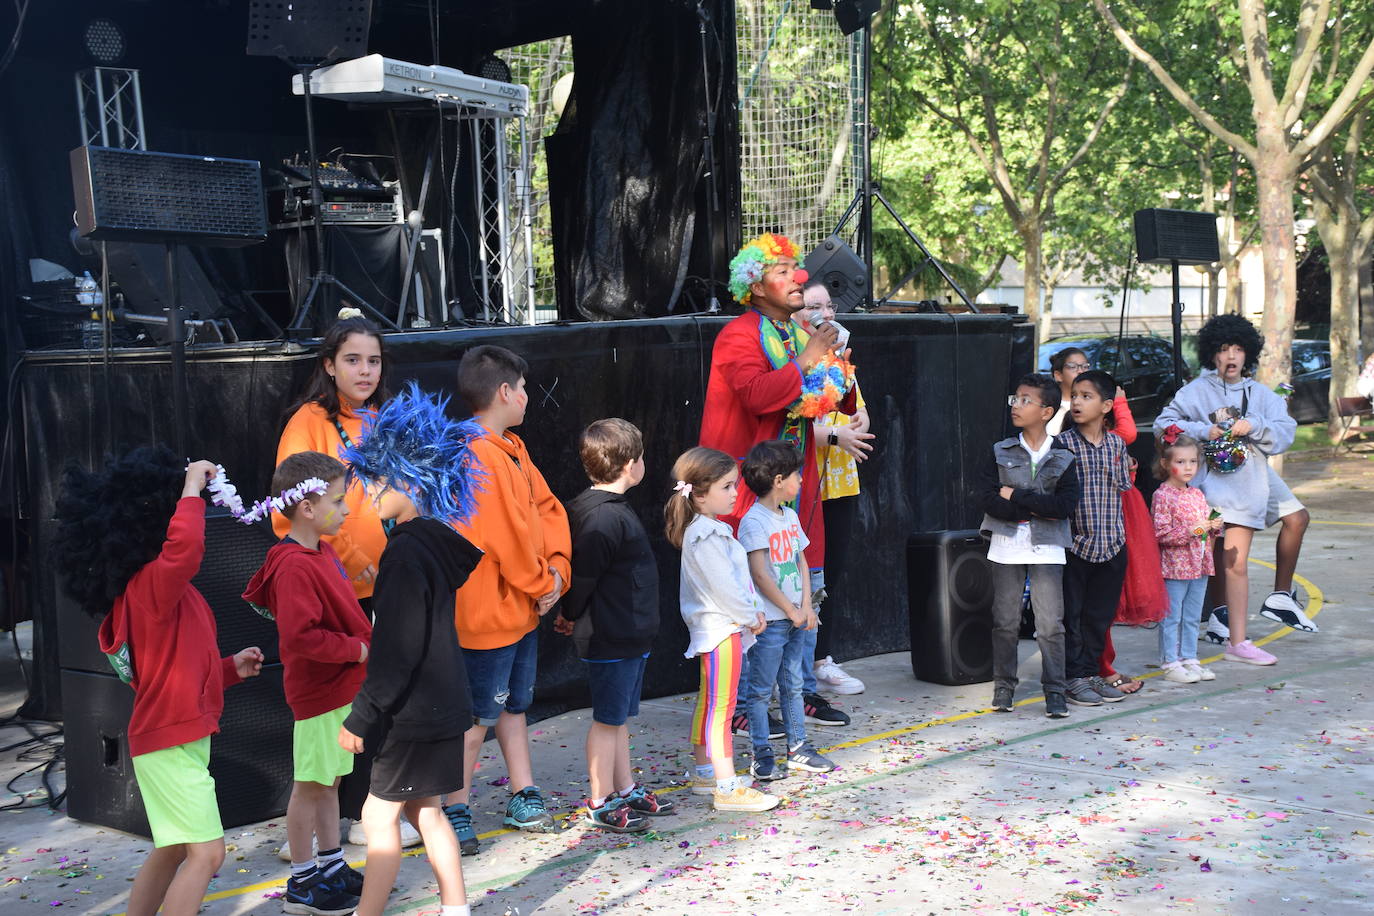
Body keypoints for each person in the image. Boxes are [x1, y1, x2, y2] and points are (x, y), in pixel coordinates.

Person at [52, 449, 264, 916]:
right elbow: (185, 548)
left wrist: (230, 668)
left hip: (174, 740)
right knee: (207, 854)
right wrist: (189, 489)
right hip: (170, 744)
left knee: (171, 850)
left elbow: (178, 670)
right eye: (173, 509)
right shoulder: (150, 589)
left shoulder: (161, 594)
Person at [336, 383, 487, 916]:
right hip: (445, 705)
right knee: (427, 810)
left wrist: (360, 718)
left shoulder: (404, 555)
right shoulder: (432, 546)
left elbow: (396, 651)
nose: (370, 491)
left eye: (378, 479)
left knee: (379, 822)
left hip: (413, 714)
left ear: (409, 474)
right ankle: (456, 907)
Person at [700, 233, 857, 729]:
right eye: (785, 271)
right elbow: (758, 396)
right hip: (745, 490)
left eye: (797, 269)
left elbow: (830, 400)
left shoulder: (796, 332)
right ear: (755, 284)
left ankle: (801, 692)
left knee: (805, 583)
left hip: (795, 486)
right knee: (754, 595)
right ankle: (748, 704)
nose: (800, 278)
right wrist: (810, 355)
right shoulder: (739, 336)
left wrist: (841, 369)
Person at [275, 308, 408, 853]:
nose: (365, 371)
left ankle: (364, 815)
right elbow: (294, 508)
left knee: (378, 703)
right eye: (353, 360)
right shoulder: (307, 421)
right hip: (336, 588)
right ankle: (310, 834)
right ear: (329, 365)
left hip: (386, 584)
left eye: (374, 361)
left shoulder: (385, 418)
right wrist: (354, 558)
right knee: (332, 713)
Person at [443, 345, 571, 854]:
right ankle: (454, 804)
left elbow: (548, 510)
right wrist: (545, 585)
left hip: (520, 608)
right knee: (476, 718)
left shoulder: (512, 448)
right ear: (504, 392)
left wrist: (557, 571)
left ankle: (523, 791)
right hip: (487, 614)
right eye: (522, 389)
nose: (526, 398)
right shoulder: (474, 454)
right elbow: (506, 535)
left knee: (514, 706)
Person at [241, 452, 372, 913]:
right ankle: (301, 881)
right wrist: (355, 649)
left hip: (339, 688)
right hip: (319, 694)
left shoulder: (324, 551)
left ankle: (330, 865)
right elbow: (300, 636)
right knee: (310, 786)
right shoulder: (294, 565)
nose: (347, 509)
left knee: (330, 781)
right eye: (338, 500)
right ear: (307, 508)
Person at [1154, 314, 1315, 664]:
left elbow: (1285, 432)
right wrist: (1200, 430)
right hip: (1204, 496)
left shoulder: (1260, 394)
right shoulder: (1194, 391)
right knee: (1196, 564)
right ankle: (1181, 649)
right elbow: (1162, 424)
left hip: (1245, 491)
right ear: (1213, 353)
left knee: (1235, 563)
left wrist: (1254, 424)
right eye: (1224, 348)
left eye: (1238, 349)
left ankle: (1238, 643)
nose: (1231, 356)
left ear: (1248, 355)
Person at [554, 418, 674, 833]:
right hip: (611, 634)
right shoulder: (601, 519)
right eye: (641, 457)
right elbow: (583, 577)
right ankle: (600, 799)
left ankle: (624, 789)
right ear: (629, 465)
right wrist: (569, 613)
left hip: (629, 633)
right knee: (608, 719)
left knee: (618, 717)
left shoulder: (610, 512)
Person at [666, 446, 778, 813]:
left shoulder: (706, 531)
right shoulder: (706, 536)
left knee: (711, 705)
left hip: (720, 630)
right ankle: (727, 787)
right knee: (722, 711)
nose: (735, 493)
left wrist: (749, 612)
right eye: (727, 487)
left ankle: (705, 773)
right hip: (722, 631)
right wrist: (751, 614)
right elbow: (725, 588)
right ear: (699, 493)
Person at [977, 373, 1079, 719]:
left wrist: (1018, 496)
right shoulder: (1000, 450)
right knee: (1005, 619)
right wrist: (1037, 504)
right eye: (1015, 399)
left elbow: (1065, 506)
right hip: (1006, 545)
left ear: (1046, 411)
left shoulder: (1063, 456)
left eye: (1026, 400)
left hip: (1048, 547)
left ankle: (1055, 690)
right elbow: (991, 500)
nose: (1016, 406)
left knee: (1050, 623)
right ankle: (1004, 685)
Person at [737, 440, 838, 779]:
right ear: (779, 480)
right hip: (773, 623)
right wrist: (790, 610)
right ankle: (761, 752)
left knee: (793, 683)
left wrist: (807, 606)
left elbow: (801, 561)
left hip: (796, 617)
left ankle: (798, 748)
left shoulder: (791, 516)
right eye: (797, 474)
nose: (801, 480)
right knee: (761, 689)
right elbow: (760, 574)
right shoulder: (754, 521)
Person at [799, 283, 874, 696]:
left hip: (841, 482)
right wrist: (833, 437)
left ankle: (821, 660)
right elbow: (792, 422)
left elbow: (858, 409)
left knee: (832, 575)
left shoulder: (839, 360)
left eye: (829, 304)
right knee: (800, 575)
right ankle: (794, 669)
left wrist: (856, 424)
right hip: (803, 485)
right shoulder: (793, 358)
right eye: (814, 306)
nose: (825, 312)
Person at [1057, 370, 1134, 706]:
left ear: (1106, 406)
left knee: (1099, 617)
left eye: (1086, 396)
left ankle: (1091, 674)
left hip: (1111, 545)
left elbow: (1121, 488)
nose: (1077, 402)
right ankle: (1073, 677)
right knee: (1072, 616)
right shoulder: (1062, 445)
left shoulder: (1116, 444)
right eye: (1075, 395)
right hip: (1075, 546)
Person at [1150, 429, 1222, 684]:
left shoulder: (1196, 494)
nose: (1188, 467)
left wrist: (1214, 525)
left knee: (1192, 616)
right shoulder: (1162, 496)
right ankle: (1170, 662)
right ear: (1166, 464)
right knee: (1172, 617)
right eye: (1180, 462)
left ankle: (1189, 658)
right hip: (1174, 568)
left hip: (1199, 565)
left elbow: (1205, 530)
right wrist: (1197, 529)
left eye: (1193, 461)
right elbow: (1161, 534)